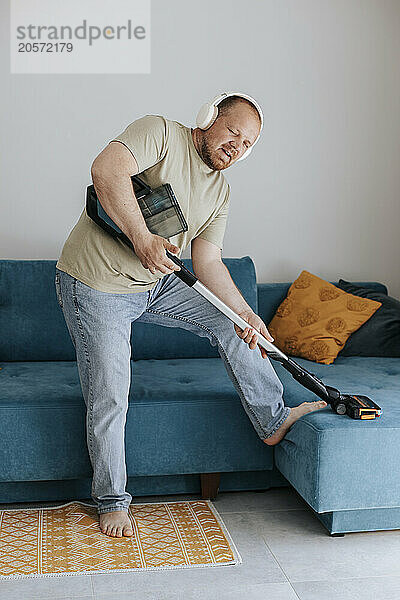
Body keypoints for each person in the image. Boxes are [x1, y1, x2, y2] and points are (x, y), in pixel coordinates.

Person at [55, 92, 326, 538]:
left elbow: (209, 262)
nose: (237, 146)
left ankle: (273, 420)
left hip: (156, 282)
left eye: (247, 143)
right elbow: (106, 170)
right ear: (209, 118)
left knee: (233, 324)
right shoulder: (159, 132)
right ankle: (111, 500)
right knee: (111, 392)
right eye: (233, 131)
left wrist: (245, 313)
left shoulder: (220, 191)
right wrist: (142, 237)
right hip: (95, 283)